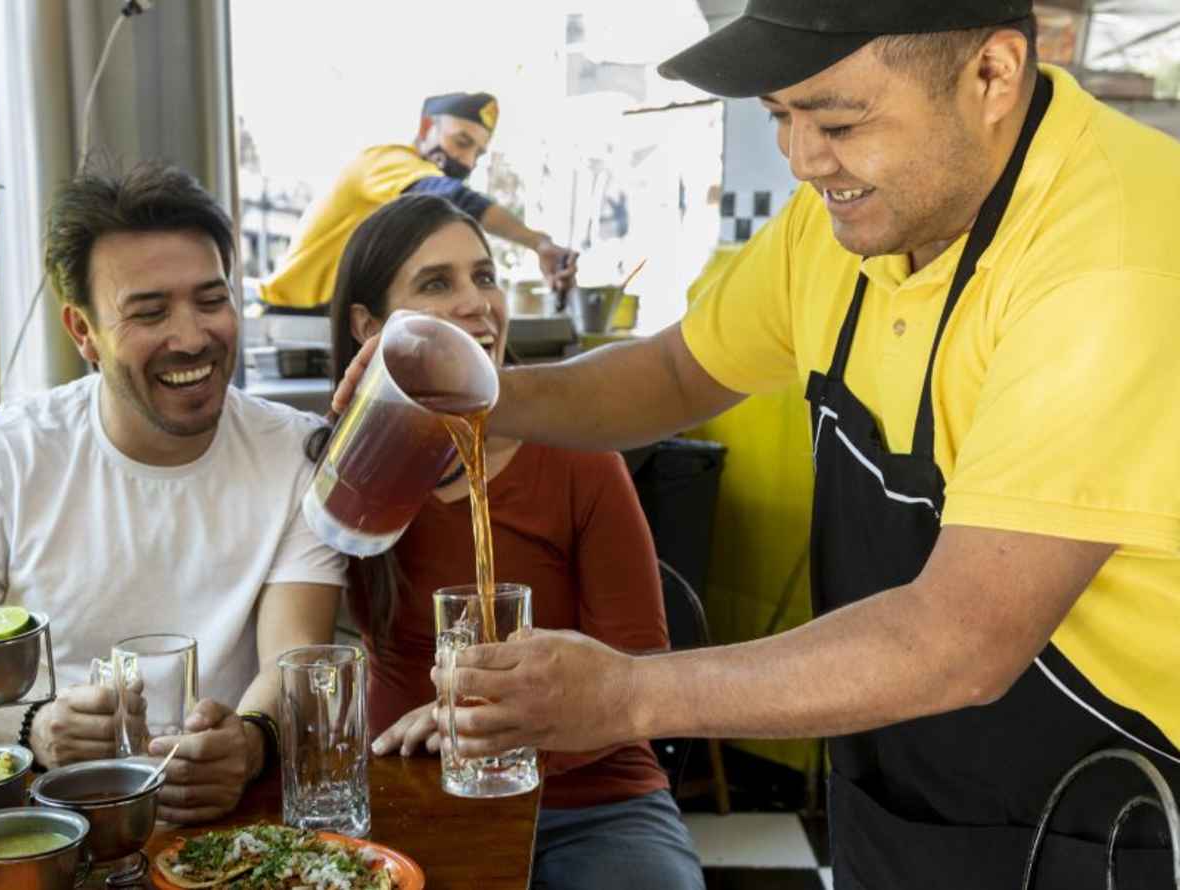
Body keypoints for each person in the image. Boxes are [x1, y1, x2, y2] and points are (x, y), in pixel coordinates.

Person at [334, 4, 1180, 888]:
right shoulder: (854, 214)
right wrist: (480, 397)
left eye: (839, 119)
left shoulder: (1113, 255)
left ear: (994, 75)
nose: (804, 159)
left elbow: (961, 637)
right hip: (901, 796)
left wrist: (628, 695)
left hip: (1101, 817)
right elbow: (673, 373)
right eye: (783, 115)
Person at [0, 163, 345, 824]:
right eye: (149, 312)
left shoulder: (297, 453)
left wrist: (249, 743)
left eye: (211, 300)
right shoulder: (5, 455)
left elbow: (293, 659)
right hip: (43, 830)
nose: (191, 337)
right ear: (83, 333)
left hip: (227, 827)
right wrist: (35, 732)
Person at [309, 194, 705, 889]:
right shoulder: (341, 474)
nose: (477, 304)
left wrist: (484, 722)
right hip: (415, 787)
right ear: (370, 327)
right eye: (438, 284)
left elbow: (639, 656)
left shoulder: (581, 459)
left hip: (595, 798)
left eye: (485, 277)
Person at [258, 91, 578, 313]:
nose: (466, 160)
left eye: (477, 154)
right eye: (461, 142)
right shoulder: (387, 160)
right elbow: (452, 195)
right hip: (297, 315)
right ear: (427, 128)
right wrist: (539, 243)